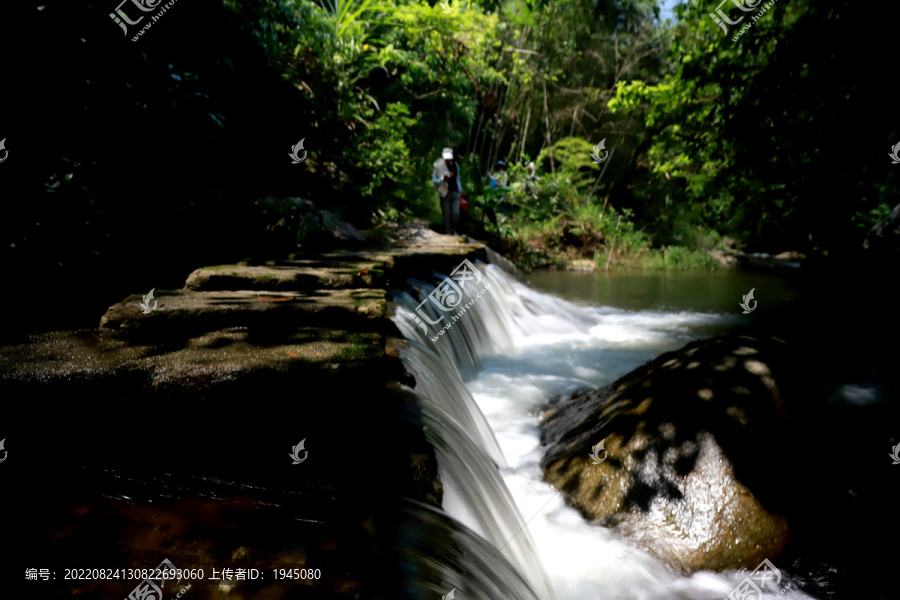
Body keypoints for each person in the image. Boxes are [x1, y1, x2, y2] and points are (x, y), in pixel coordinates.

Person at [432, 147, 463, 235]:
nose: (448, 160)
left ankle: (453, 230)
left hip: (456, 192)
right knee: (447, 216)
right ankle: (448, 233)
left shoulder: (455, 165)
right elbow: (435, 180)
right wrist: (442, 179)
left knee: (455, 213)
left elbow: (457, 178)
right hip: (445, 194)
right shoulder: (438, 166)